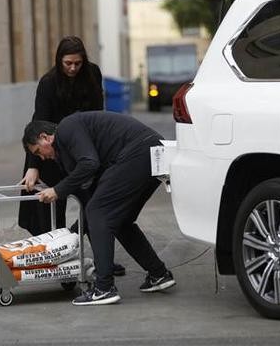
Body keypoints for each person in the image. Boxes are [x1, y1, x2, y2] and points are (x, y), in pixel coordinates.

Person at [22, 112, 176, 306]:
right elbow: (90, 196)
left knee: (99, 212)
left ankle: (104, 288)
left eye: (37, 152)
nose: (41, 158)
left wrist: (58, 190)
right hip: (150, 155)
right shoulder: (68, 150)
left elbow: (90, 163)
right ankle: (158, 274)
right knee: (119, 221)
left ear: (45, 137)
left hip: (141, 152)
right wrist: (71, 234)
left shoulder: (67, 128)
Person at [18, 36, 125, 276]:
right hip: (50, 152)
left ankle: (101, 261)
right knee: (50, 209)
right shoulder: (48, 83)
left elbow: (99, 112)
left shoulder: (92, 74)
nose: (73, 68)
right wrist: (34, 165)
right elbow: (38, 124)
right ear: (59, 61)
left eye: (77, 63)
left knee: (95, 206)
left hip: (84, 152)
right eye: (68, 63)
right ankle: (54, 261)